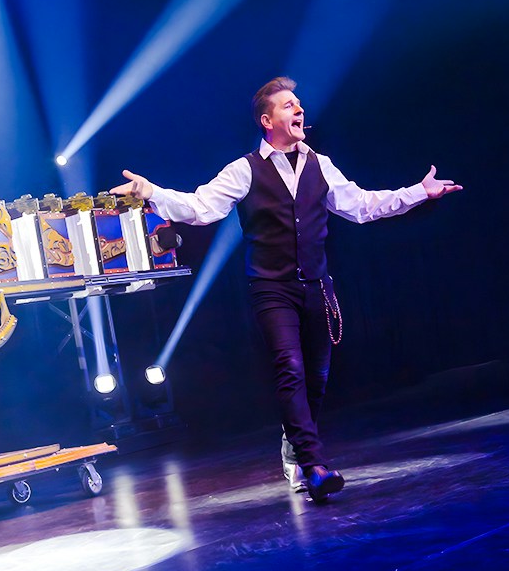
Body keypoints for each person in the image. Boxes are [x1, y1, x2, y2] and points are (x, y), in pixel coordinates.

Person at [113, 76, 462, 501]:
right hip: (271, 288)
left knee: (316, 376)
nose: (298, 110)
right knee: (290, 369)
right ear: (267, 120)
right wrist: (150, 191)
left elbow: (363, 206)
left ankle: (295, 450)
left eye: (299, 104)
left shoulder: (321, 165)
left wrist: (418, 193)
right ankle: (314, 466)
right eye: (288, 105)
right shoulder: (245, 169)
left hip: (316, 285)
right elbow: (200, 208)